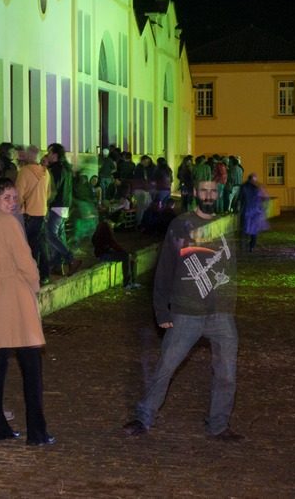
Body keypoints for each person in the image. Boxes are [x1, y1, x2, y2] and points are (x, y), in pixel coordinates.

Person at [123, 179, 241, 441]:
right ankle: (144, 418)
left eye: (213, 191)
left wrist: (229, 303)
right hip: (186, 312)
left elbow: (230, 268)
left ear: (217, 194)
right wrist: (161, 311)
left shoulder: (224, 226)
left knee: (227, 374)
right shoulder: (180, 225)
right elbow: (165, 267)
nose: (209, 195)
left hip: (221, 314)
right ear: (196, 193)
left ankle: (219, 424)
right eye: (204, 191)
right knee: (165, 367)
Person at [0, 177, 55, 446]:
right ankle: (37, 431)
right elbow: (25, 260)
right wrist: (34, 286)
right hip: (14, 293)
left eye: (14, 198)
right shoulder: (8, 223)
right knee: (31, 364)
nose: (13, 203)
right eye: (6, 198)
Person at [44, 143, 82, 277]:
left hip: (57, 205)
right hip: (65, 205)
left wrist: (46, 203)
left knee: (50, 234)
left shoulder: (56, 170)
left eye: (49, 153)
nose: (47, 155)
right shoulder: (66, 168)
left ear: (55, 154)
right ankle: (57, 265)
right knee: (59, 235)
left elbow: (53, 190)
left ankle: (71, 259)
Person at [15, 145, 50, 285]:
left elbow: (18, 196)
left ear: (29, 156)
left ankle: (32, 276)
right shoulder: (45, 172)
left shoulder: (24, 172)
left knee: (30, 247)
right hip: (42, 212)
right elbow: (47, 194)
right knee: (42, 244)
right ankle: (45, 274)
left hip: (28, 214)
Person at [92, 216, 136, 288]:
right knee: (126, 257)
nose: (112, 226)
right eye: (112, 224)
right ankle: (128, 283)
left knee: (127, 257)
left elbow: (95, 242)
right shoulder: (106, 232)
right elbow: (114, 245)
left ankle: (131, 282)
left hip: (101, 254)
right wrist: (125, 252)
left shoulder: (98, 231)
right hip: (104, 255)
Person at [238, 172, 269, 252]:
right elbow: (265, 197)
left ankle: (243, 245)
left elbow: (239, 198)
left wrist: (235, 207)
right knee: (253, 230)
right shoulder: (258, 187)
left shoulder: (243, 187)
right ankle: (251, 246)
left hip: (246, 211)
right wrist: (263, 208)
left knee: (244, 229)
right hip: (255, 211)